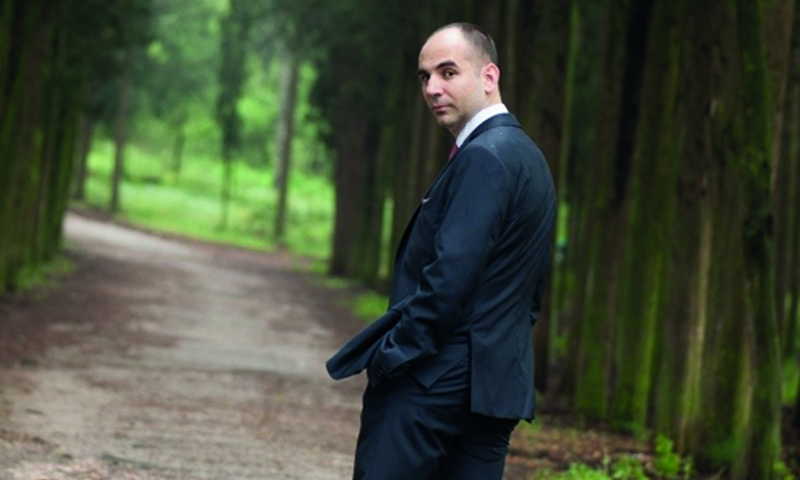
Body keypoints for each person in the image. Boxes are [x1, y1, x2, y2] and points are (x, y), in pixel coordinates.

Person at [326, 22, 556, 480]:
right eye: (425, 76)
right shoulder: (531, 159)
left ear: (489, 76)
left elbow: (448, 277)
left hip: (432, 379)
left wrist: (394, 357)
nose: (432, 88)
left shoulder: (484, 156)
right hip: (495, 387)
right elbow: (531, 293)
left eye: (448, 73)